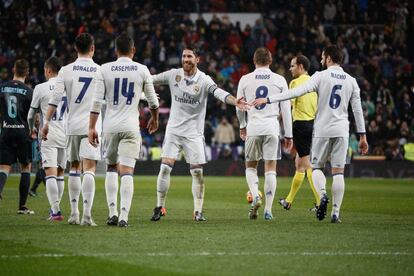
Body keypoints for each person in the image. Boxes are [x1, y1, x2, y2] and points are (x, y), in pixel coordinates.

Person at [253, 45, 368, 223]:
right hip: (342, 131)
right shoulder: (351, 81)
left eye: (323, 58)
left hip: (322, 130)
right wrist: (362, 135)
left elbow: (296, 92)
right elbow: (358, 110)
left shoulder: (320, 76)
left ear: (329, 58)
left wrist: (269, 99)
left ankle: (322, 195)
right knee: (338, 173)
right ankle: (336, 213)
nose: (321, 61)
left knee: (316, 168)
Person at [150, 45, 250, 222]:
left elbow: (218, 92)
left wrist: (235, 101)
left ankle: (197, 212)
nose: (186, 59)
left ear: (197, 60)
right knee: (165, 167)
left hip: (194, 133)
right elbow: (149, 79)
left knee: (197, 173)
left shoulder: (204, 80)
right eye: (183, 56)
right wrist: (148, 96)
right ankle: (159, 206)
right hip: (174, 130)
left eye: (189, 56)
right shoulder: (174, 74)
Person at [89, 33, 159, 227]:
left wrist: (91, 127)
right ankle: (123, 217)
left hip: (110, 127)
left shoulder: (104, 69)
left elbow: (96, 103)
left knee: (111, 167)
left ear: (115, 51)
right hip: (131, 127)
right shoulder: (142, 69)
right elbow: (153, 102)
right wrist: (155, 119)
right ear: (133, 50)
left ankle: (112, 213)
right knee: (127, 171)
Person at [42, 33, 102, 226]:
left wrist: (46, 122)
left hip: (72, 125)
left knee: (74, 168)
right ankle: (86, 215)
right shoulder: (100, 71)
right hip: (92, 126)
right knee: (90, 169)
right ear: (92, 48)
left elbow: (55, 99)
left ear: (76, 49)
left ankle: (74, 214)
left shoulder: (65, 71)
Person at [236, 47, 293, 220]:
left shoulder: (245, 79)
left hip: (253, 127)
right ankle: (268, 210)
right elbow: (286, 108)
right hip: (272, 128)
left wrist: (242, 125)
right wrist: (288, 134)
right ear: (270, 61)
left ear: (254, 61)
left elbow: (239, 105)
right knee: (270, 169)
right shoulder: (280, 80)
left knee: (251, 166)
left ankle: (255, 195)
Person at [278, 55, 320, 211]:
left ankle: (320, 200)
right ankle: (288, 201)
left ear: (301, 66)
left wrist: (276, 118)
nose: (290, 69)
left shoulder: (295, 83)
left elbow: (287, 105)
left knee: (307, 164)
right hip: (314, 125)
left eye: (292, 66)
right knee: (299, 164)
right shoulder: (314, 82)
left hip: (301, 125)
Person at [28, 56, 66, 221]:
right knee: (60, 173)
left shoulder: (40, 88)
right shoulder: (67, 86)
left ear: (49, 70)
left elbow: (31, 114)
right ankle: (56, 208)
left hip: (48, 133)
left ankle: (55, 211)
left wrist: (31, 129)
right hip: (66, 134)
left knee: (50, 172)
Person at [0, 59, 34, 214]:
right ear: (27, 73)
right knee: (26, 167)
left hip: (6, 130)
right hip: (23, 133)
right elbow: (33, 115)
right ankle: (22, 206)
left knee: (4, 167)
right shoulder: (28, 92)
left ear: (13, 69)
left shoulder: (2, 88)